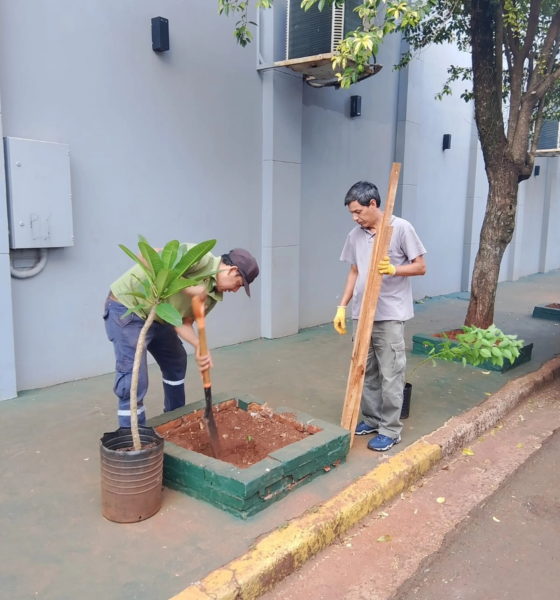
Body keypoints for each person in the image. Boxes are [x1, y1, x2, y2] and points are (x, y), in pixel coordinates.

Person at [103, 245, 259, 428]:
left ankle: (174, 421)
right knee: (134, 381)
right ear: (232, 270)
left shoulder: (213, 295)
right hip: (128, 308)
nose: (235, 291)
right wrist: (189, 287)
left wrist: (199, 346)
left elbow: (183, 321)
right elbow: (146, 256)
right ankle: (132, 437)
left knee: (176, 360)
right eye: (239, 284)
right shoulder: (200, 258)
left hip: (161, 315)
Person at [334, 181, 427, 452]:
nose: (355, 218)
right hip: (361, 314)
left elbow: (421, 266)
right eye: (352, 213)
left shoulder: (401, 228)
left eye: (358, 211)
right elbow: (354, 271)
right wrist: (342, 306)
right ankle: (373, 419)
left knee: (391, 373)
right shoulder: (355, 235)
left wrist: (395, 269)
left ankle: (390, 429)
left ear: (373, 204)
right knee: (366, 370)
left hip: (389, 315)